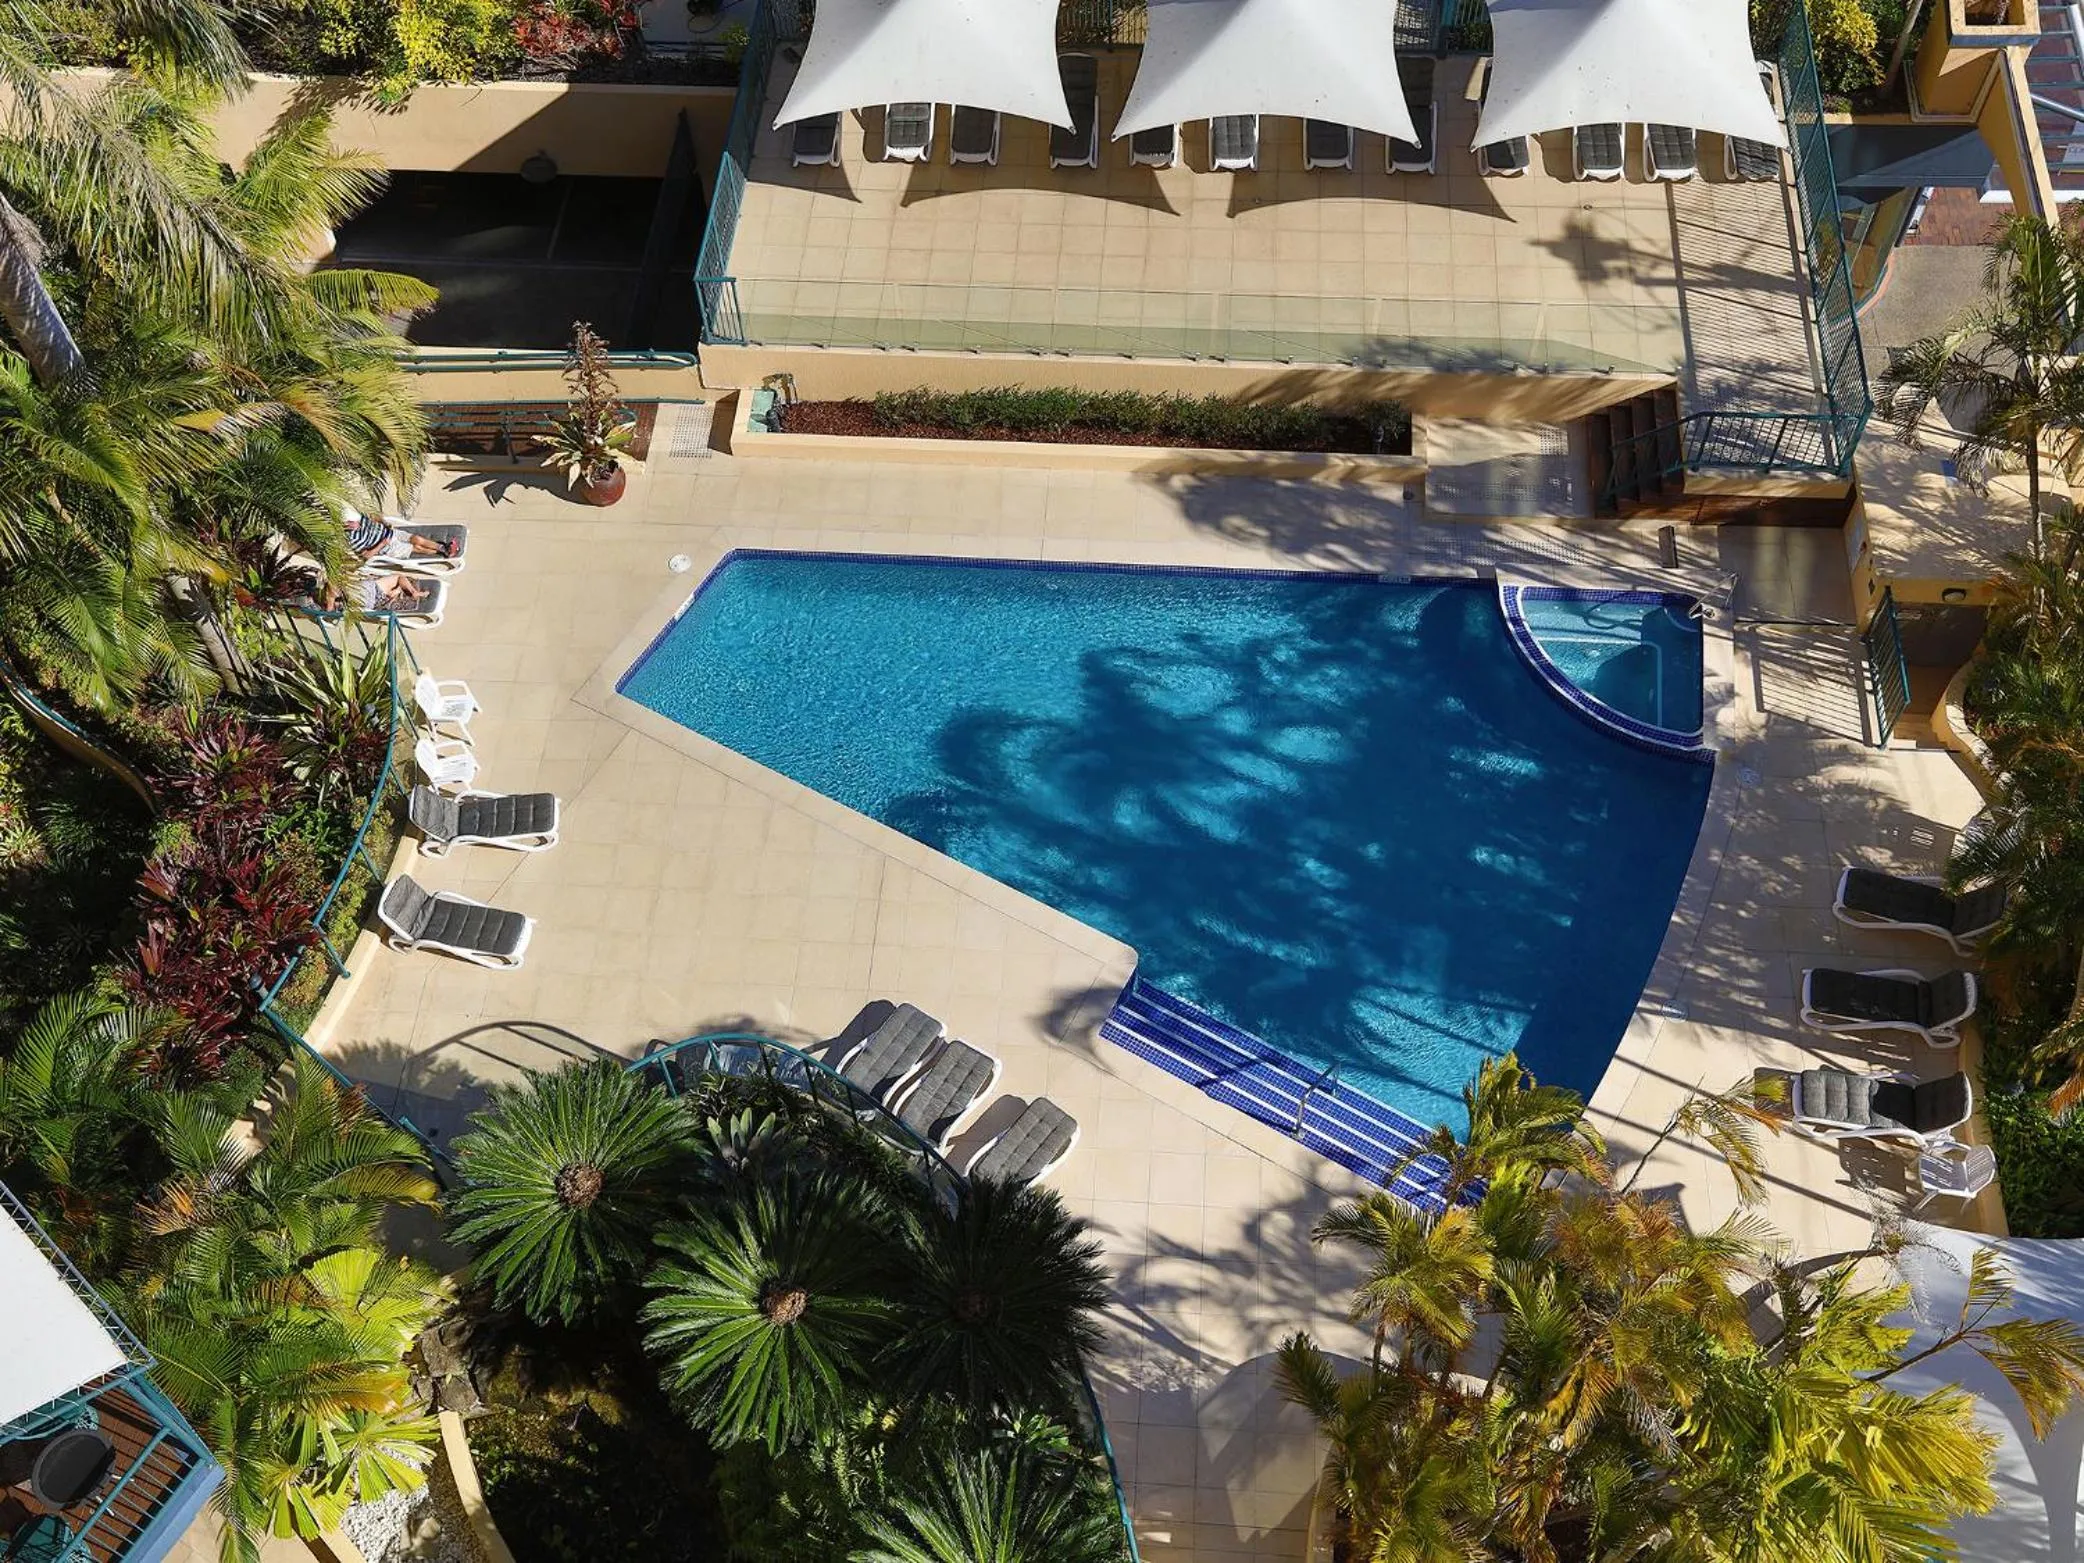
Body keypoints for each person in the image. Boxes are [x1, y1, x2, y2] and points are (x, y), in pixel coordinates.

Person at [345, 506, 458, 564]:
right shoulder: (352, 539)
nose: (351, 523)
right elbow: (366, 556)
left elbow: (375, 516)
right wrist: (382, 544)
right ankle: (442, 551)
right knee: (416, 548)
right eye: (348, 524)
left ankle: (443, 547)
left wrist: (385, 523)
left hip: (391, 532)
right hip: (387, 547)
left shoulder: (358, 518)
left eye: (349, 521)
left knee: (416, 539)